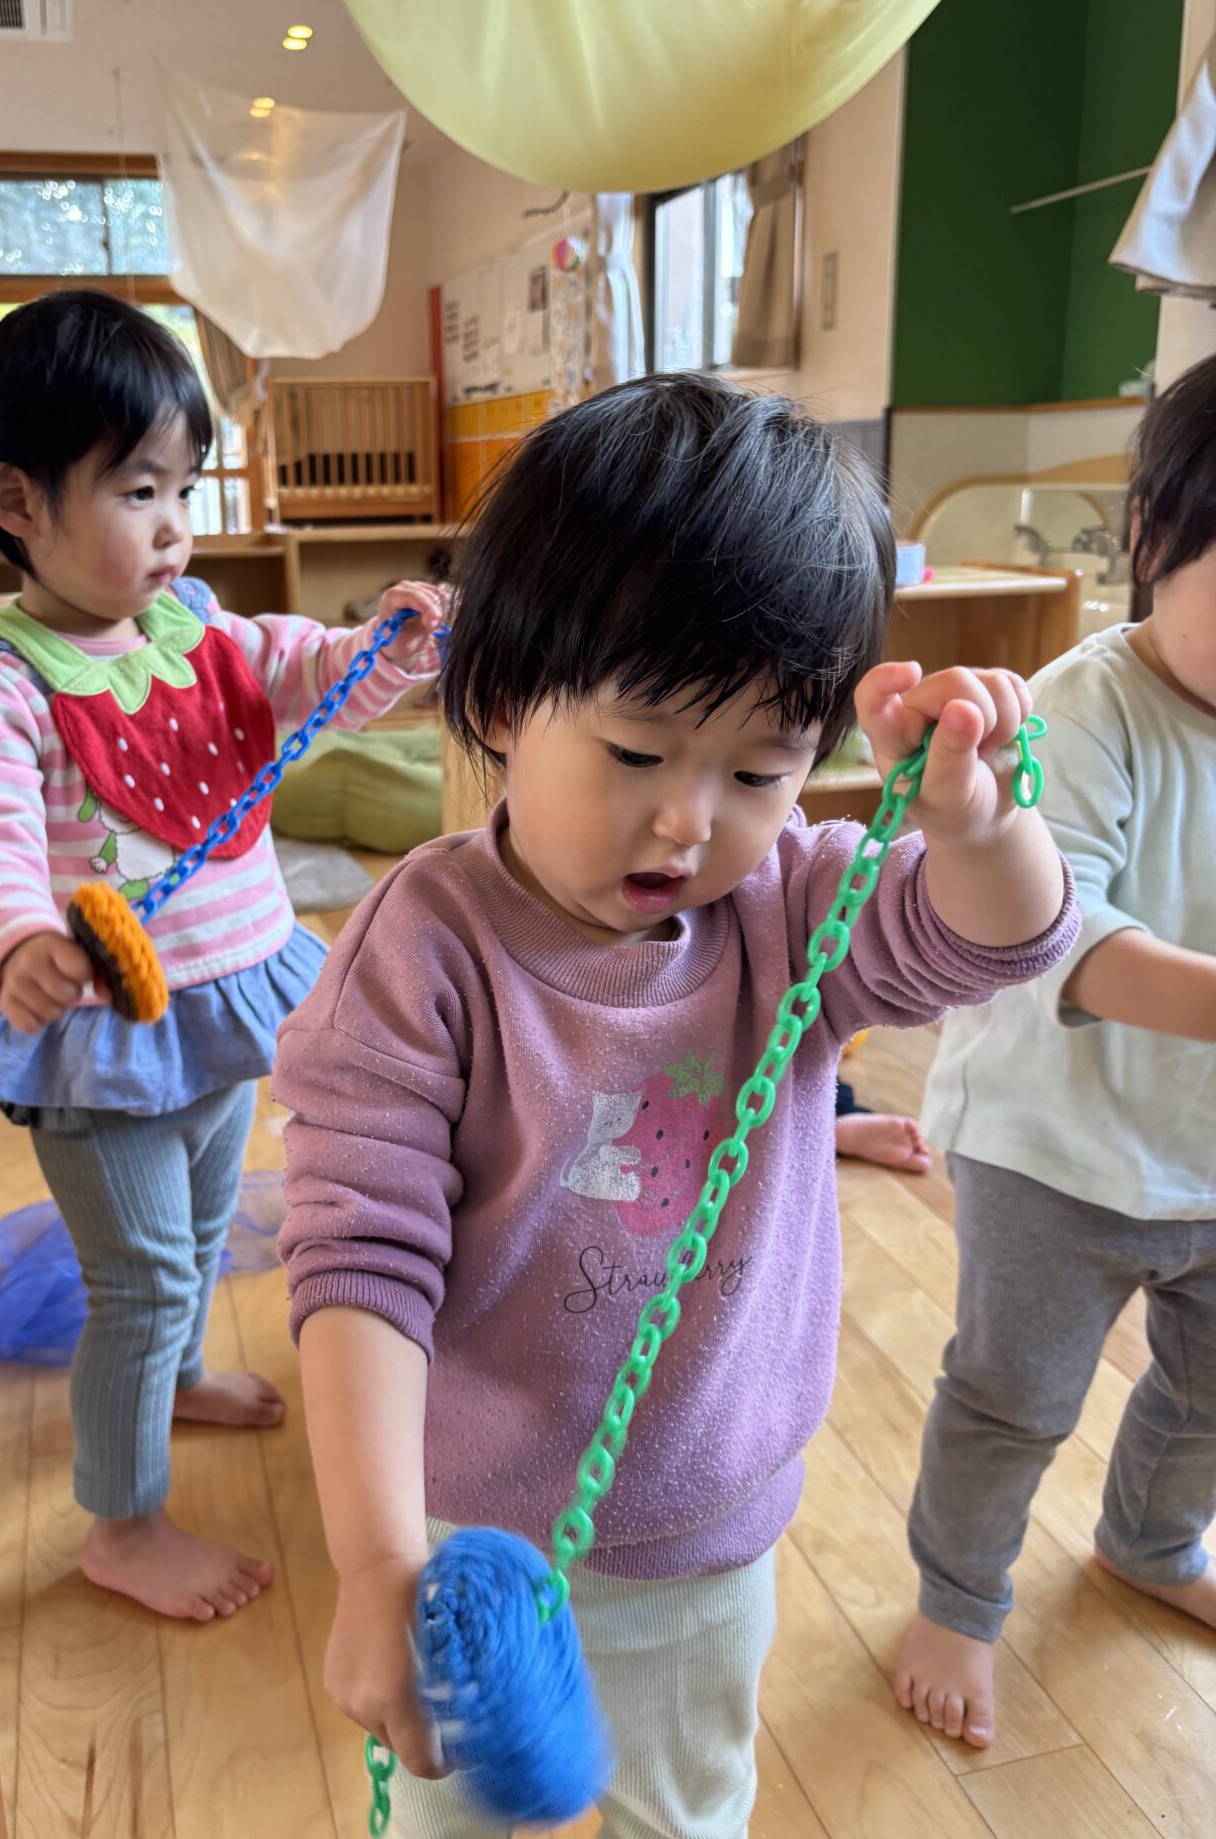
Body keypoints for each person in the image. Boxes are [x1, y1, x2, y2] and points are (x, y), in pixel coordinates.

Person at [276, 374, 1076, 1839]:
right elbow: (358, 1255)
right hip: (471, 1532)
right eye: (638, 753)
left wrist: (980, 826)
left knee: (688, 1807)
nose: (688, 819)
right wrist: (379, 1559)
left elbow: (995, 942)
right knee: (461, 1818)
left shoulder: (792, 904)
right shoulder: (424, 950)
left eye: (760, 770)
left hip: (710, 1528)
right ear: (503, 703)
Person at [0, 289, 445, 1622]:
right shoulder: (2, 686)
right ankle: (122, 1522)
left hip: (227, 1010)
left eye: (185, 489)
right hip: (102, 1043)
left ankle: (172, 1382)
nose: (175, 525)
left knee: (207, 1235)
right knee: (146, 1278)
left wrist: (382, 647)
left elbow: (316, 670)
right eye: (138, 491)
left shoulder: (202, 630)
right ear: (19, 502)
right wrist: (17, 934)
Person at [895, 356, 1216, 1749]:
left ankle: (1152, 1539)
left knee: (1210, 1396)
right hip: (1051, 1150)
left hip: (1205, 1152)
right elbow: (1064, 941)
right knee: (1012, 1397)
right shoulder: (1086, 710)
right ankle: (957, 1599)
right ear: (1152, 537)